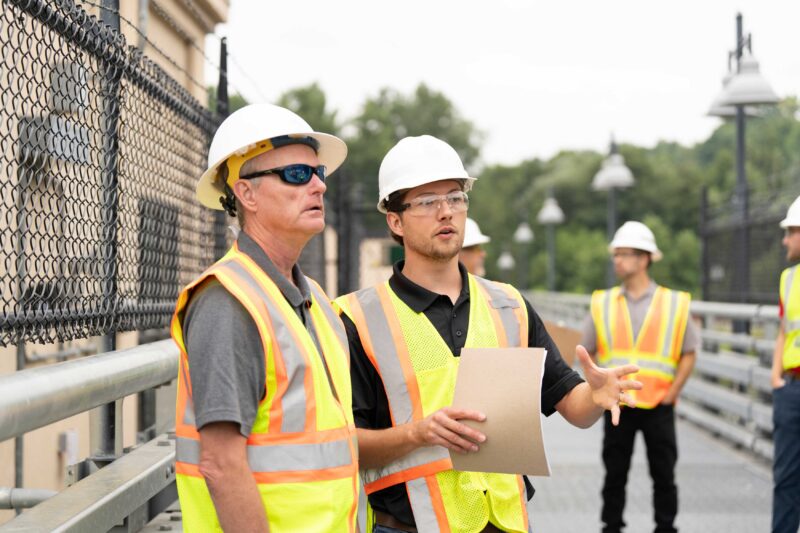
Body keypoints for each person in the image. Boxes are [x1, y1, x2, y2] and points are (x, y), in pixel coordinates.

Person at [335, 135, 641, 533]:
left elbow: (572, 405)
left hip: (505, 523)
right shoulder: (357, 320)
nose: (446, 212)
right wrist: (417, 433)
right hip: (410, 526)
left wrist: (596, 396)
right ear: (395, 220)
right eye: (427, 202)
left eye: (456, 198)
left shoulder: (509, 306)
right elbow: (343, 445)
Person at [170, 104, 362, 532]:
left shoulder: (315, 304)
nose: (317, 187)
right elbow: (220, 465)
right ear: (247, 194)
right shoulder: (228, 301)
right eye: (297, 174)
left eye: (320, 174)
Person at [580, 221, 698, 533]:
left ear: (645, 258)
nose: (617, 259)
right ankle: (612, 526)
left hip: (660, 402)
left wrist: (674, 392)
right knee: (614, 472)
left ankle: (665, 527)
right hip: (619, 403)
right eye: (615, 254)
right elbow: (586, 350)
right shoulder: (602, 303)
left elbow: (690, 350)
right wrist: (600, 387)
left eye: (625, 254)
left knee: (664, 473)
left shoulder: (674, 303)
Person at [771, 195, 800, 533]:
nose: (784, 240)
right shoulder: (788, 279)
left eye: (790, 231)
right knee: (786, 479)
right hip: (791, 389)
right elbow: (783, 331)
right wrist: (776, 377)